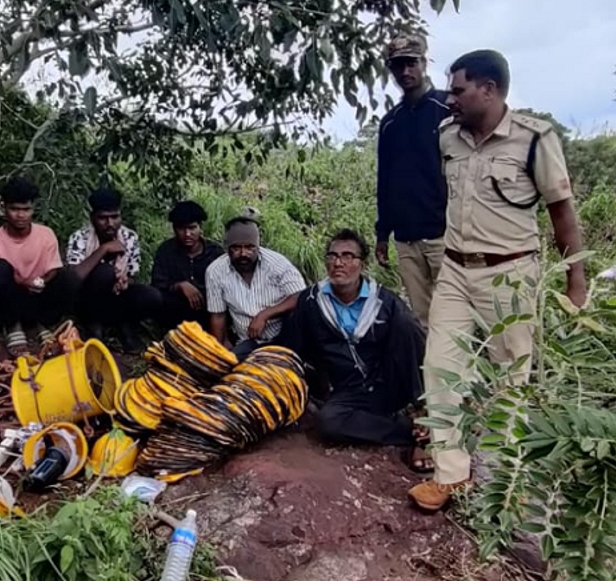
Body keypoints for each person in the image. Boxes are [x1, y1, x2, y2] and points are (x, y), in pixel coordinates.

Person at [408, 50, 586, 512]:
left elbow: (562, 213)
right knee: (440, 368)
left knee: (512, 380)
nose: (451, 97)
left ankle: (507, 482)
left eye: (459, 89)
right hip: (454, 271)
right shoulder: (449, 137)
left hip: (510, 274)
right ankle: (451, 476)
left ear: (489, 89)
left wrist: (576, 284)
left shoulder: (534, 139)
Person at [285, 230, 428, 468]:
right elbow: (294, 347)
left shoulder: (386, 303)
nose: (339, 263)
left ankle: (424, 422)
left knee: (407, 328)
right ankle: (408, 432)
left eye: (348, 256)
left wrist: (420, 397)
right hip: (349, 389)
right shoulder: (312, 302)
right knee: (328, 423)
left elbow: (412, 352)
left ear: (363, 264)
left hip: (390, 384)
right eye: (333, 256)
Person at [374, 34, 452, 327]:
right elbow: (386, 180)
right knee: (421, 318)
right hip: (406, 239)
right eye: (397, 66)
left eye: (411, 63)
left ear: (424, 62)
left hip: (445, 234)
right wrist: (383, 233)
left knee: (454, 315)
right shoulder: (390, 123)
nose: (405, 72)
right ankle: (428, 373)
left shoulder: (448, 107)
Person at [0, 177, 78, 354]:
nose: (20, 215)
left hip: (38, 296)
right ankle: (12, 327)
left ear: (32, 209)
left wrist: (40, 281)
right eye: (14, 209)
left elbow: (53, 268)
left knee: (68, 277)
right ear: (4, 209)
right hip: (9, 302)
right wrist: (20, 281)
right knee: (0, 268)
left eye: (26, 209)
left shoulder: (46, 234)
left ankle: (42, 324)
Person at [65, 188, 161, 352]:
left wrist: (124, 281)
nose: (110, 223)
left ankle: (125, 326)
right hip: (88, 301)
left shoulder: (129, 237)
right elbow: (74, 278)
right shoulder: (80, 238)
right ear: (93, 218)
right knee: (104, 272)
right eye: (103, 218)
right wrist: (103, 249)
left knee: (152, 296)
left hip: (116, 298)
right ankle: (94, 327)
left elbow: (132, 275)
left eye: (114, 217)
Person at [205, 214, 306, 359]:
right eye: (236, 248)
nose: (243, 253)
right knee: (232, 368)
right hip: (248, 341)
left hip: (283, 335)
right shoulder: (215, 271)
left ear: (258, 246)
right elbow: (218, 315)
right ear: (227, 248)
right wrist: (219, 349)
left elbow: (300, 296)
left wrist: (265, 315)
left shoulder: (277, 264)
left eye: (249, 247)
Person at [151, 200, 223, 329]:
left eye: (192, 228)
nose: (187, 234)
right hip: (175, 310)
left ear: (200, 228)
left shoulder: (215, 252)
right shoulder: (166, 250)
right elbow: (157, 284)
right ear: (174, 229)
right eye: (181, 228)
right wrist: (180, 285)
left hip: (209, 310)